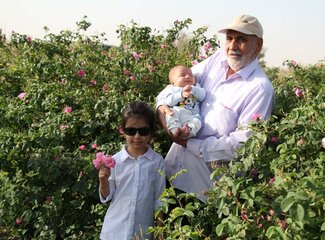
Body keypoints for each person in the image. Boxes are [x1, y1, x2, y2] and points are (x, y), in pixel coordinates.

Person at [156, 14, 275, 202]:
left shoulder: (259, 89)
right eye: (229, 38)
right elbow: (178, 83)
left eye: (241, 39)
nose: (232, 46)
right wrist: (164, 113)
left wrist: (188, 143)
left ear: (258, 45)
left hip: (205, 191)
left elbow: (241, 146)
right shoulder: (218, 60)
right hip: (171, 172)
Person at [97, 101, 166, 240]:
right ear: (123, 131)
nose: (137, 136)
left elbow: (160, 198)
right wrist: (103, 180)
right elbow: (107, 195)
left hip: (142, 234)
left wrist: (160, 231)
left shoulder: (157, 162)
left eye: (143, 131)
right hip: (114, 232)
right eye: (131, 131)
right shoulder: (114, 161)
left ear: (151, 132)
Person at [162, 64, 206, 139]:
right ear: (173, 82)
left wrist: (193, 89)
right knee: (171, 114)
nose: (188, 76)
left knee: (198, 121)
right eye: (182, 75)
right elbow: (168, 102)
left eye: (191, 75)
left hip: (192, 115)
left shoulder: (196, 87)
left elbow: (202, 96)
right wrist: (180, 95)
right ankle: (175, 130)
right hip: (178, 113)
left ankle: (187, 131)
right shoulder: (172, 89)